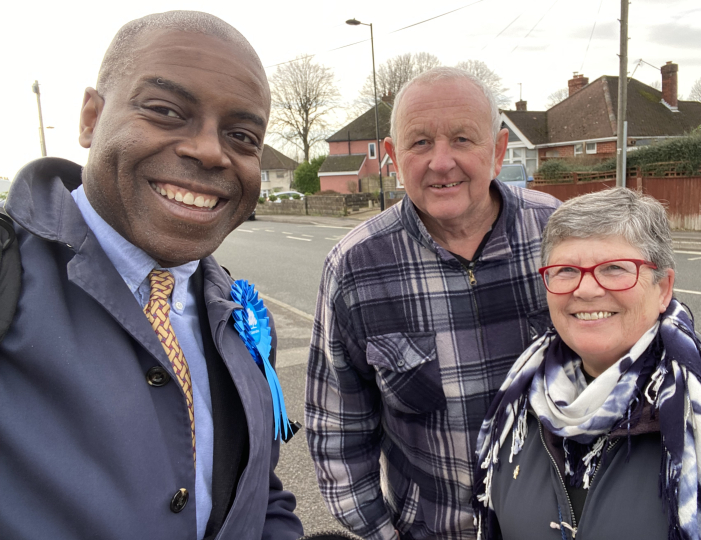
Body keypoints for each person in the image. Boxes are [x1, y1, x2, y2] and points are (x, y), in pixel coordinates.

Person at [0, 12, 303, 540]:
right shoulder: (8, 275)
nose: (210, 150)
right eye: (165, 111)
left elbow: (257, 490)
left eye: (241, 135)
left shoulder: (243, 318)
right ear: (91, 118)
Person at [475, 187, 701, 540]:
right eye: (566, 270)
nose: (585, 289)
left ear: (663, 288)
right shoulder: (519, 407)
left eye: (615, 268)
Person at [305, 67, 561, 540]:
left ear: (499, 150)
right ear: (392, 157)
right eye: (419, 143)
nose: (442, 162)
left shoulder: (560, 236)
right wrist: (382, 534)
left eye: (463, 139)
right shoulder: (356, 265)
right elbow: (339, 433)